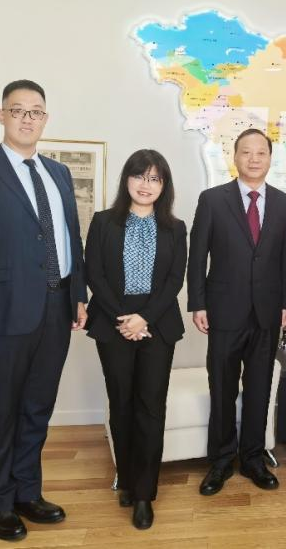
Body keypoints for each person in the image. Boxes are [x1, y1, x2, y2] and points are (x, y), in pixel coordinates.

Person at [0, 79, 87, 542]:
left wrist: (78, 294)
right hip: (2, 315)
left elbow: (70, 238)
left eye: (36, 111)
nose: (27, 118)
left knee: (36, 409)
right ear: (1, 115)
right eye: (18, 110)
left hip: (56, 308)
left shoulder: (58, 173)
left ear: (45, 118)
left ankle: (27, 491)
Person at [187, 128, 286, 495]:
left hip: (267, 312)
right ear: (234, 157)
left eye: (260, 152)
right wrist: (198, 303)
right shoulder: (212, 200)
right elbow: (197, 255)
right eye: (246, 152)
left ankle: (252, 458)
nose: (253, 159)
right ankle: (220, 461)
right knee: (222, 387)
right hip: (223, 310)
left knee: (260, 388)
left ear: (270, 159)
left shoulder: (283, 203)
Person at [84, 150, 187, 530]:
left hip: (157, 324)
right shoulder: (103, 222)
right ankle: (126, 479)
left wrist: (144, 318)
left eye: (155, 178)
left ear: (164, 186)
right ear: (126, 179)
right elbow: (94, 273)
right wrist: (124, 319)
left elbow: (175, 280)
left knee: (151, 407)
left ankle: (144, 493)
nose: (146, 185)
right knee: (122, 404)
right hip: (113, 323)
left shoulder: (176, 228)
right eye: (140, 176)